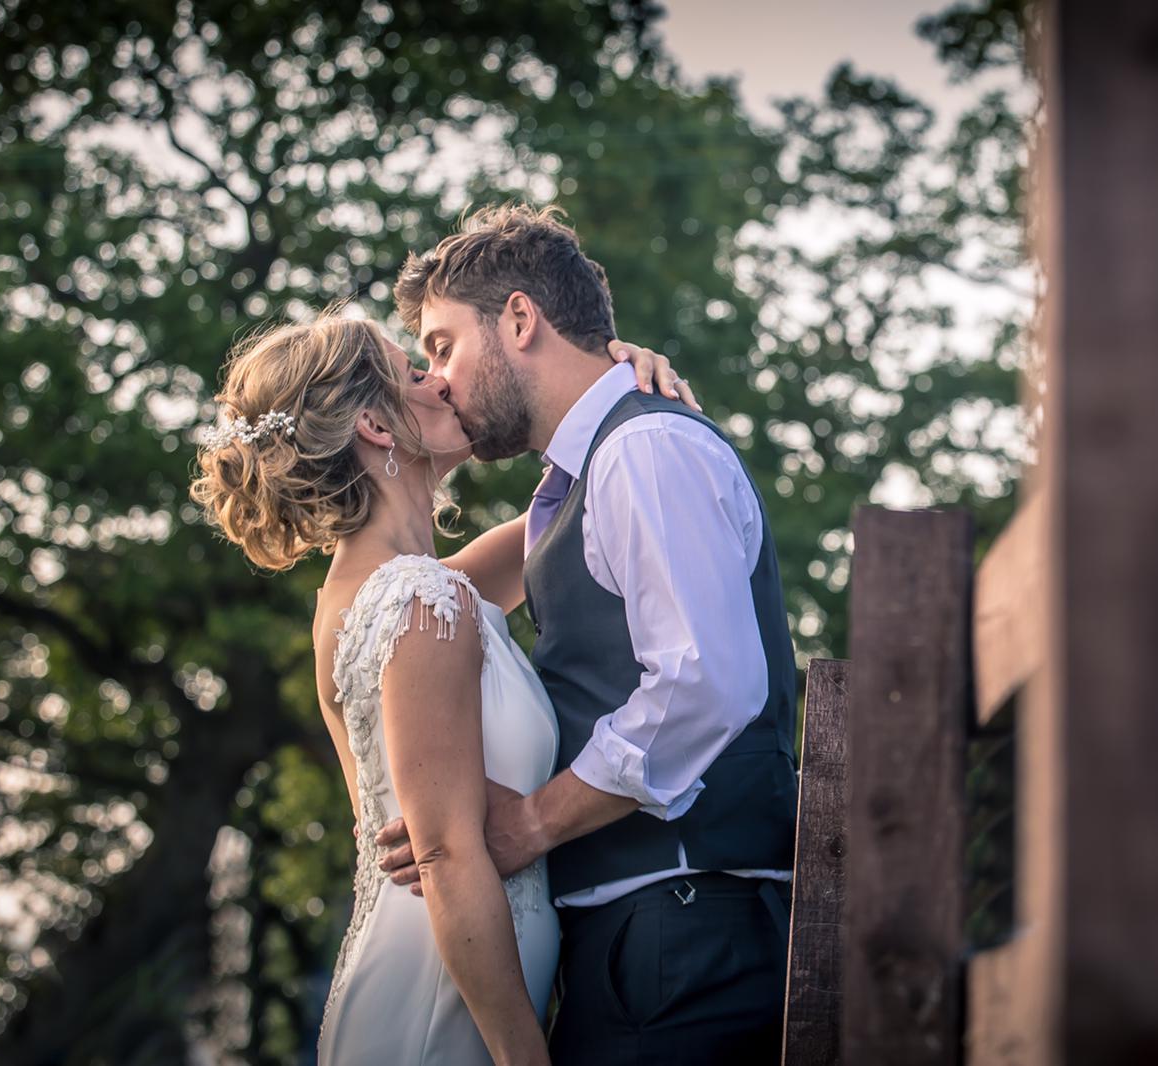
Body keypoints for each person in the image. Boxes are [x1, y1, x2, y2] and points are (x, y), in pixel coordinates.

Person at [188, 312, 690, 1065]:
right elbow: (446, 857)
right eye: (414, 372)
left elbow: (573, 510)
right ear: (376, 426)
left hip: (440, 976)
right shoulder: (422, 603)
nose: (441, 379)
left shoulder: (386, 596)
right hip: (445, 1006)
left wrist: (622, 394)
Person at [374, 203, 799, 1066]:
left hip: (686, 929)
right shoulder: (574, 483)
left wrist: (529, 824)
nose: (438, 378)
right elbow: (410, 607)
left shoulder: (644, 449)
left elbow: (707, 683)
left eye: (444, 346)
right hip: (640, 937)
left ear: (521, 319)